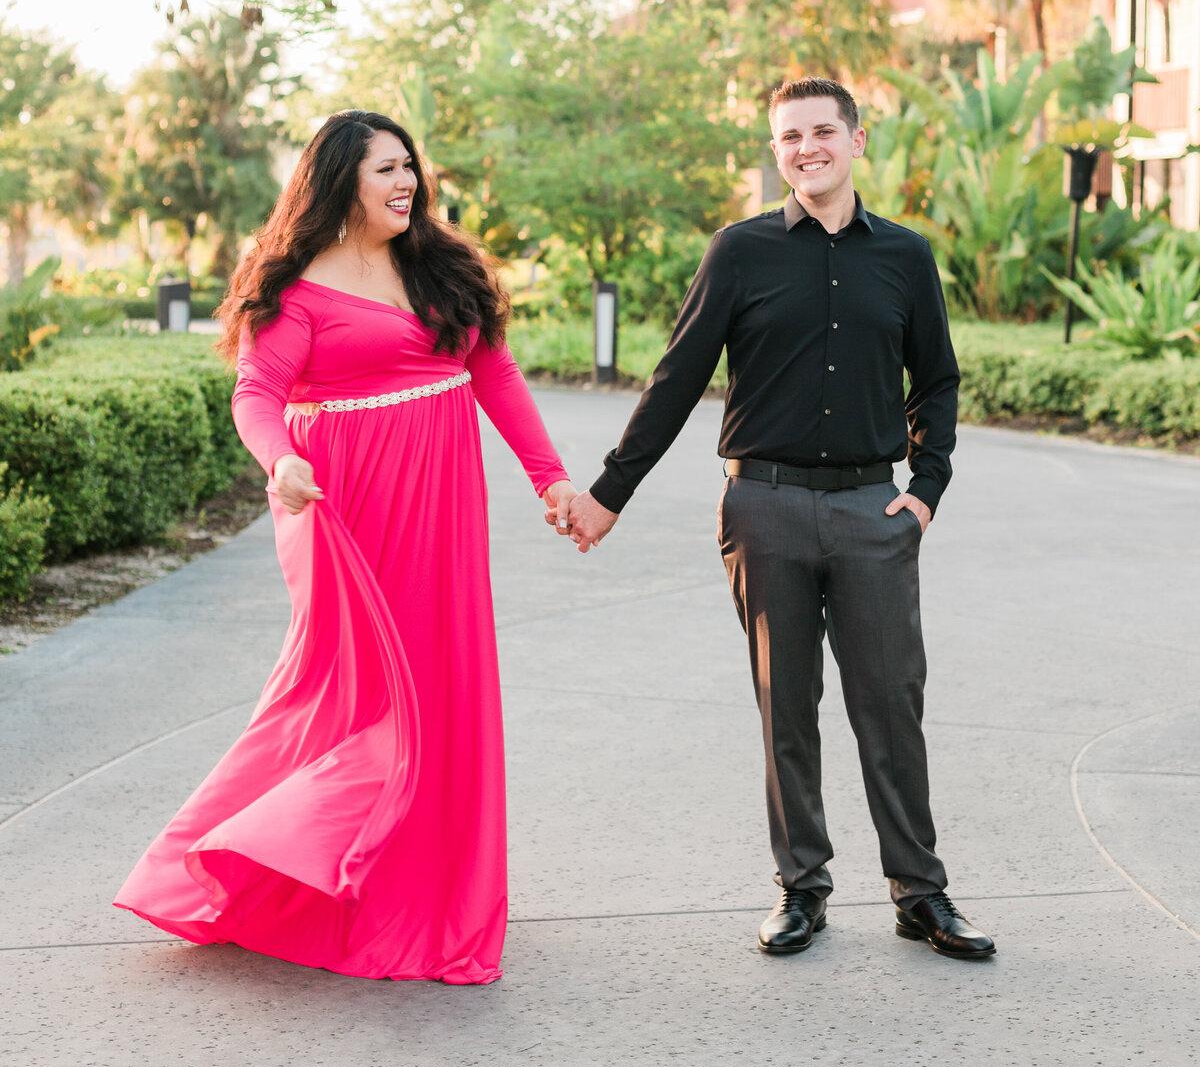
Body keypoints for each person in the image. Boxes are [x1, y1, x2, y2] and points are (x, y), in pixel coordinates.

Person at [115, 110, 576, 984]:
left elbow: (494, 370)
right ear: (338, 182)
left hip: (442, 499)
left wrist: (549, 477)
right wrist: (280, 457)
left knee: (443, 677)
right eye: (384, 172)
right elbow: (258, 392)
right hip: (343, 500)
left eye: (409, 167)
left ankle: (427, 882)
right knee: (355, 686)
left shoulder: (441, 265)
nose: (406, 184)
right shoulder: (294, 285)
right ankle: (254, 858)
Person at [568, 78, 995, 962]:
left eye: (822, 132)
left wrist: (927, 489)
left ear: (856, 140)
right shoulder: (740, 252)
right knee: (786, 706)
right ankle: (801, 889)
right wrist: (611, 493)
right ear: (777, 152)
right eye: (789, 137)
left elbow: (938, 380)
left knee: (891, 703)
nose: (807, 148)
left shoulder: (905, 258)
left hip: (874, 510)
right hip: (762, 505)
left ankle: (922, 893)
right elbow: (677, 379)